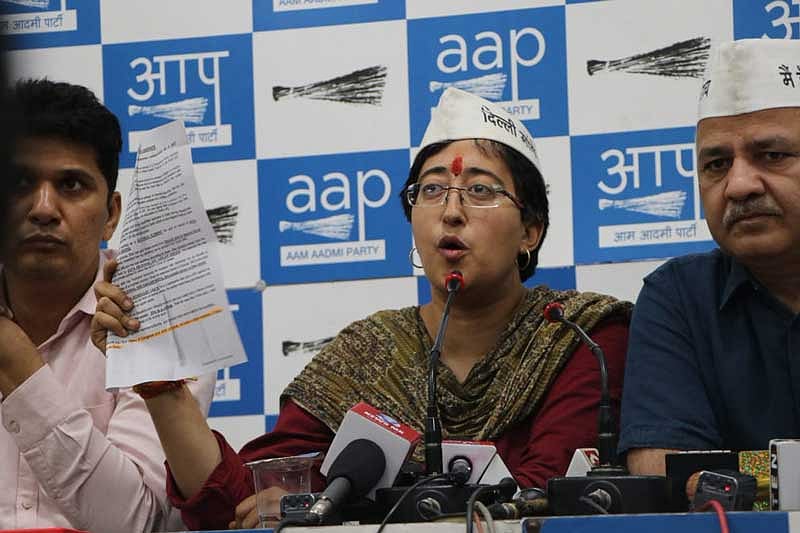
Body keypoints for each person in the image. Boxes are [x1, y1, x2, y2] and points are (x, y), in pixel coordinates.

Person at [92, 87, 631, 529]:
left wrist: (339, 508)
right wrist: (160, 382)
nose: (452, 212)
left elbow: (539, 495)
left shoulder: (579, 338)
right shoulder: (371, 353)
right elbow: (238, 503)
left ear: (530, 232)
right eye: (432, 189)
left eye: (481, 190)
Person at [0, 79, 215, 532]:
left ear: (111, 214)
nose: (42, 208)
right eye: (19, 183)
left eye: (71, 184)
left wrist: (16, 364)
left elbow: (137, 523)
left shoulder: (157, 317)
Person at [619, 38, 800, 477]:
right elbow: (666, 472)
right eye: (716, 164)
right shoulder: (678, 296)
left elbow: (706, 482)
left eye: (772, 156)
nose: (739, 186)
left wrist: (741, 476)